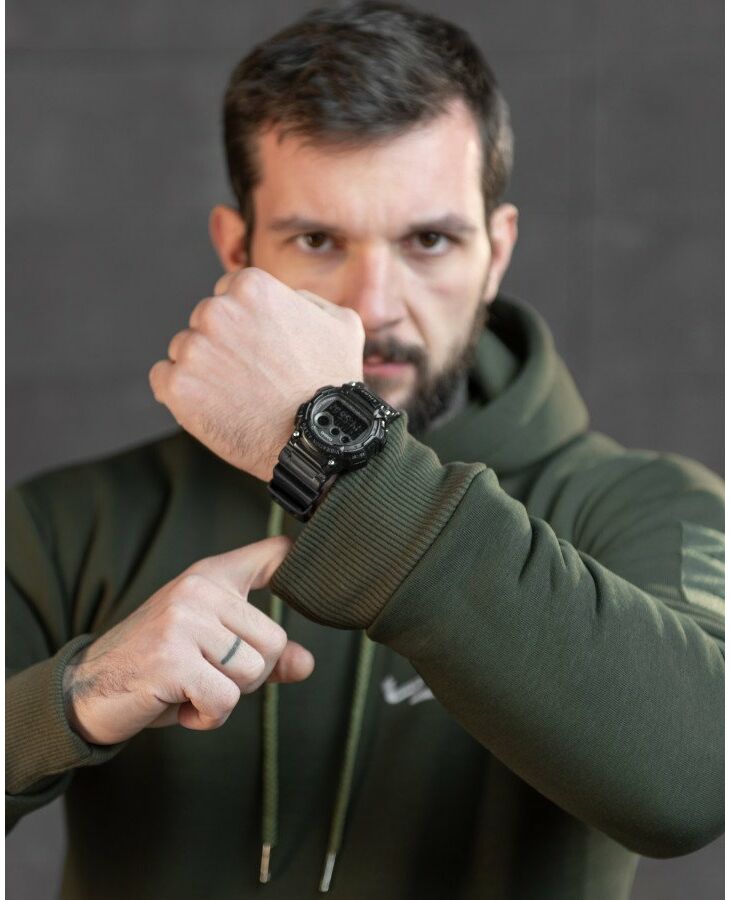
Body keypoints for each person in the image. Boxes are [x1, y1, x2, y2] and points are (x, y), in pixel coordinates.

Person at [6, 2, 724, 898]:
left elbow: (700, 780)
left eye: (429, 241)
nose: (373, 306)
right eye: (317, 240)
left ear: (497, 252)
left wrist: (330, 455)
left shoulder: (643, 507)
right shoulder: (69, 523)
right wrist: (79, 694)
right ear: (237, 248)